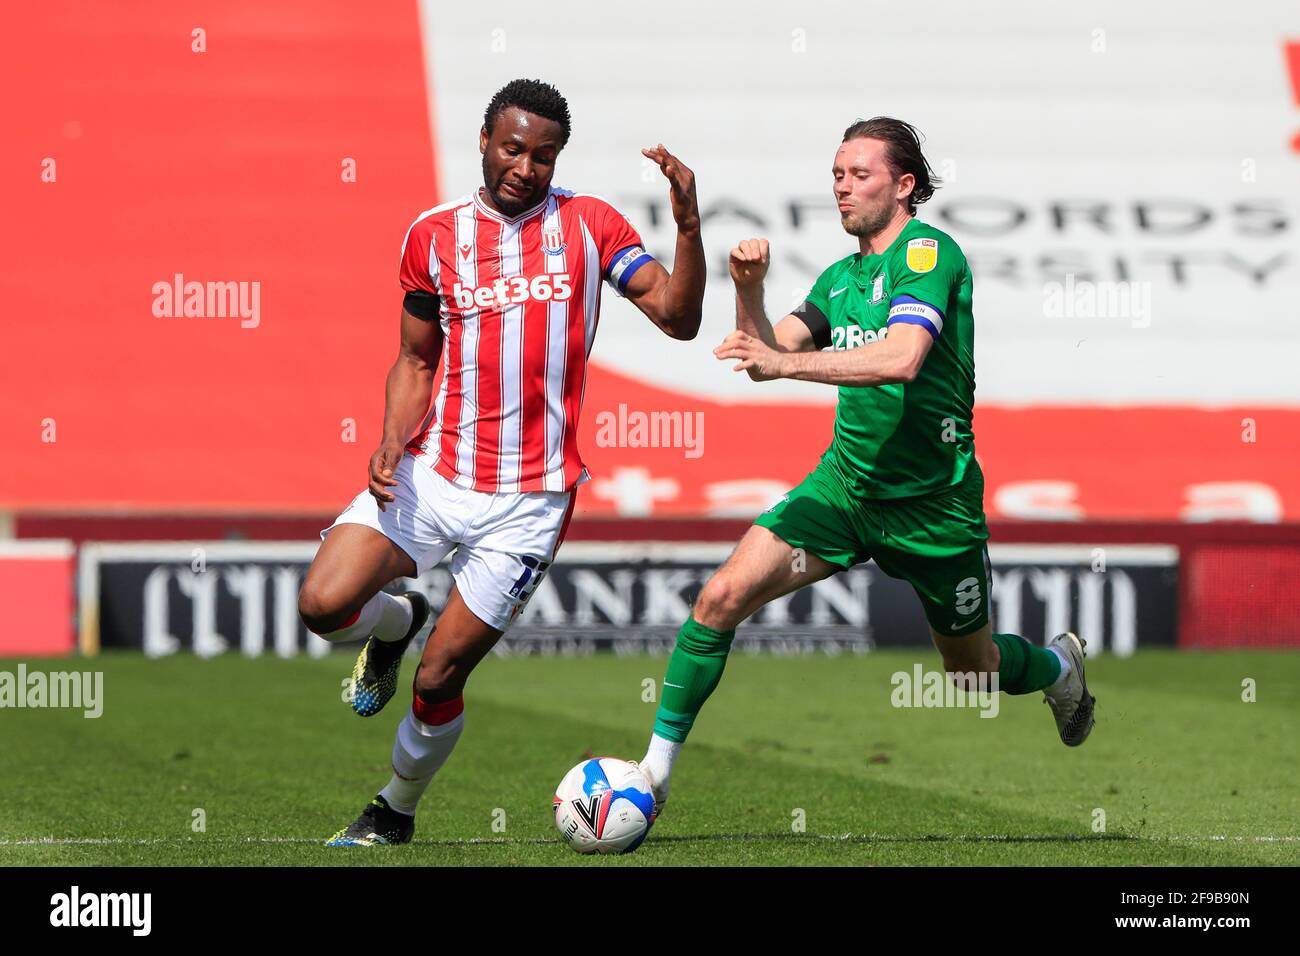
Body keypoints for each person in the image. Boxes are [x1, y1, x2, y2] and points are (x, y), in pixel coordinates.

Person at [635, 117, 1095, 824]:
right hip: (844, 491)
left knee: (971, 673)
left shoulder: (927, 255)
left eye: (859, 174)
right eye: (837, 174)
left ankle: (1059, 669)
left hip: (934, 509)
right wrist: (747, 287)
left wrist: (786, 364)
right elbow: (760, 355)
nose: (841, 187)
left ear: (904, 185)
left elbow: (901, 358)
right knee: (719, 598)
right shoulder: (839, 279)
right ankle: (652, 778)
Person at [297, 78, 705, 846]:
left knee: (439, 677)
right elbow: (415, 360)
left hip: (529, 501)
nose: (526, 166)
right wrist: (390, 438)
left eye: (543, 156)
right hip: (433, 473)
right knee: (322, 604)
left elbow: (679, 320)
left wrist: (687, 224)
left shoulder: (591, 225)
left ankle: (394, 811)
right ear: (485, 140)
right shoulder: (433, 235)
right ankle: (397, 618)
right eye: (513, 148)